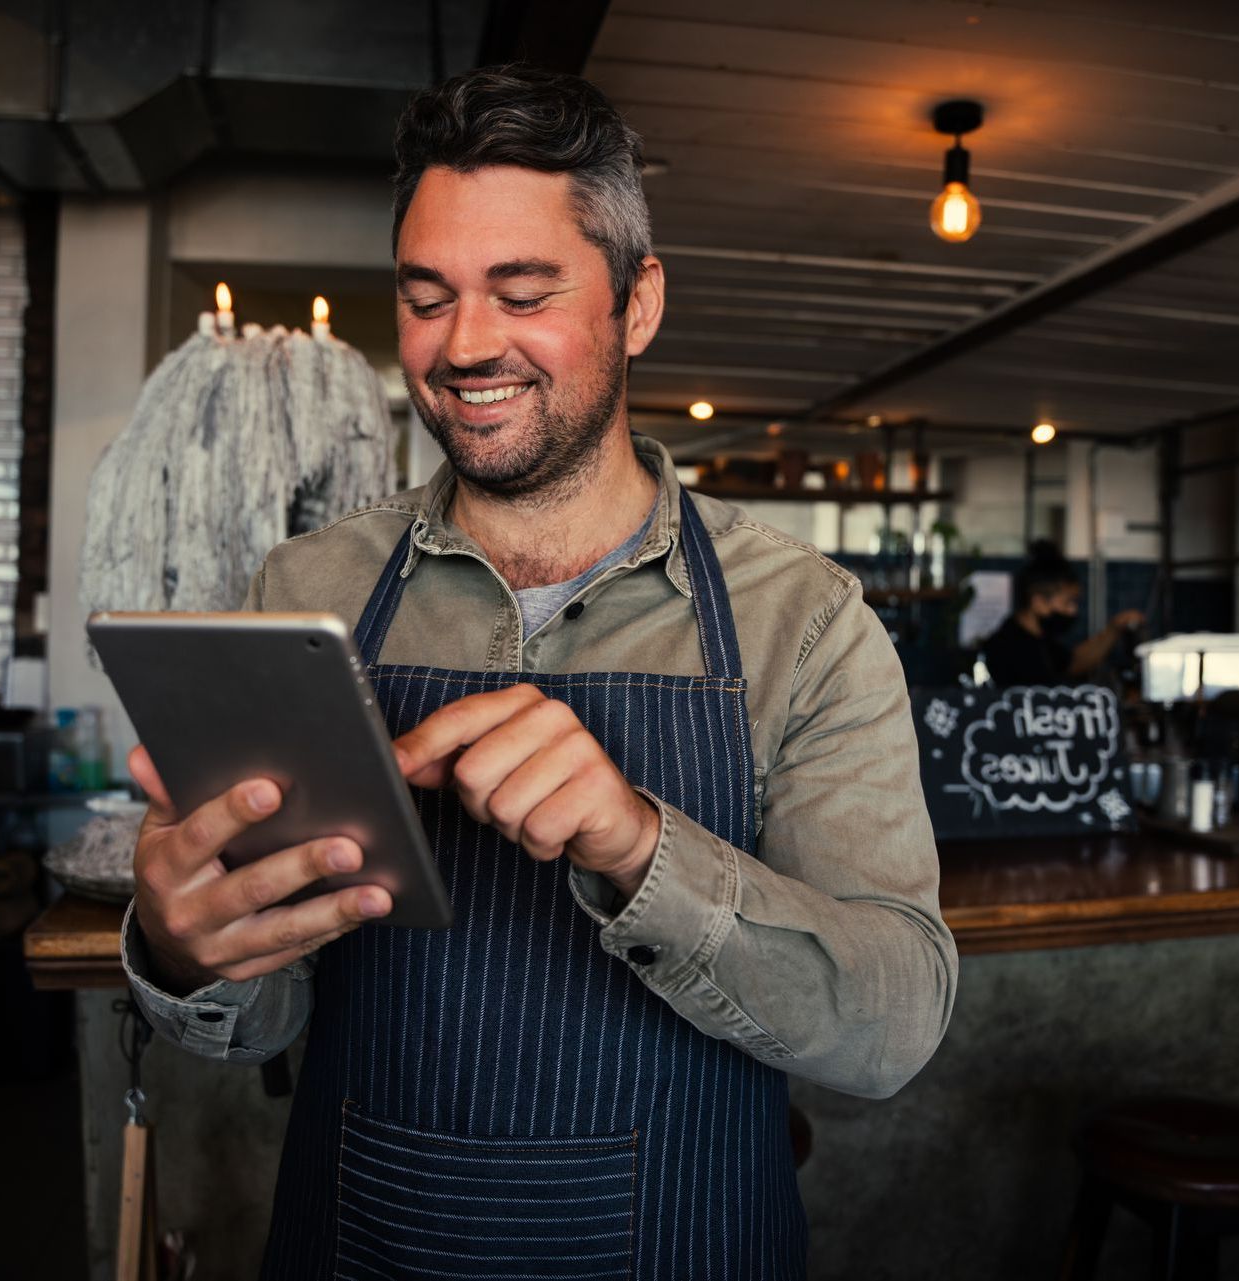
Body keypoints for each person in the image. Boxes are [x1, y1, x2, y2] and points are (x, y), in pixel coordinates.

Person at [121, 66, 956, 1280]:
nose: (464, 347)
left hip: (686, 1242)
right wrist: (184, 945)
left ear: (639, 301)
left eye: (522, 292)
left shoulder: (804, 624)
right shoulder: (310, 591)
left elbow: (894, 1021)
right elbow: (258, 1021)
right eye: (425, 298)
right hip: (364, 1239)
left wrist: (638, 847)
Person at [982, 540, 1145, 687]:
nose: (1073, 610)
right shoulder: (1009, 647)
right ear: (1039, 602)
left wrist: (1114, 629)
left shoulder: (1041, 641)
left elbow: (1074, 662)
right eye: (1068, 602)